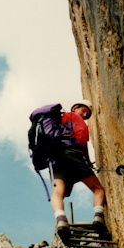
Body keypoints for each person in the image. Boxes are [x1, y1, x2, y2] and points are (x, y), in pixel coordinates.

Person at [50, 100, 106, 239]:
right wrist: (87, 161)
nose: (84, 115)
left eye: (86, 114)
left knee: (58, 191)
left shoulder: (56, 120)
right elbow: (81, 141)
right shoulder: (73, 117)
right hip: (72, 154)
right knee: (98, 189)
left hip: (55, 158)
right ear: (75, 108)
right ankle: (98, 217)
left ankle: (60, 219)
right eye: (83, 111)